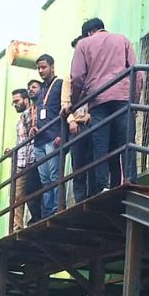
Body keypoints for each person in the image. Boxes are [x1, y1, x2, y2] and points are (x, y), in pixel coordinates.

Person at [67, 17, 143, 197]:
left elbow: (77, 77)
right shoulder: (122, 39)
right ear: (102, 28)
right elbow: (137, 74)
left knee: (100, 144)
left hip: (98, 99)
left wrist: (75, 101)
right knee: (126, 141)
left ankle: (103, 186)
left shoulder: (83, 45)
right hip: (123, 98)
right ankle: (130, 179)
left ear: (87, 33)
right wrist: (135, 100)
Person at [32, 54, 64, 217]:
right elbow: (39, 114)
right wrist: (34, 128)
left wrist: (61, 133)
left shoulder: (60, 84)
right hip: (39, 141)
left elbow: (65, 109)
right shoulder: (41, 91)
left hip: (53, 138)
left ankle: (57, 208)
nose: (41, 70)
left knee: (54, 175)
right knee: (45, 180)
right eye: (38, 68)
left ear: (52, 66)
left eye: (43, 67)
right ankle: (48, 211)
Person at [65, 35, 93, 204]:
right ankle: (80, 198)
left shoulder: (94, 74)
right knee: (78, 164)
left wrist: (91, 115)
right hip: (76, 126)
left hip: (92, 121)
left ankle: (93, 193)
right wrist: (71, 120)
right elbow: (64, 103)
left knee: (94, 159)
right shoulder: (69, 78)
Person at [10, 88, 41, 229]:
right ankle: (17, 224)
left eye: (17, 101)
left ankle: (37, 217)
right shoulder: (19, 121)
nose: (14, 104)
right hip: (21, 160)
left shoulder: (32, 113)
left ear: (26, 100)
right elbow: (21, 139)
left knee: (32, 190)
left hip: (32, 158)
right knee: (17, 195)